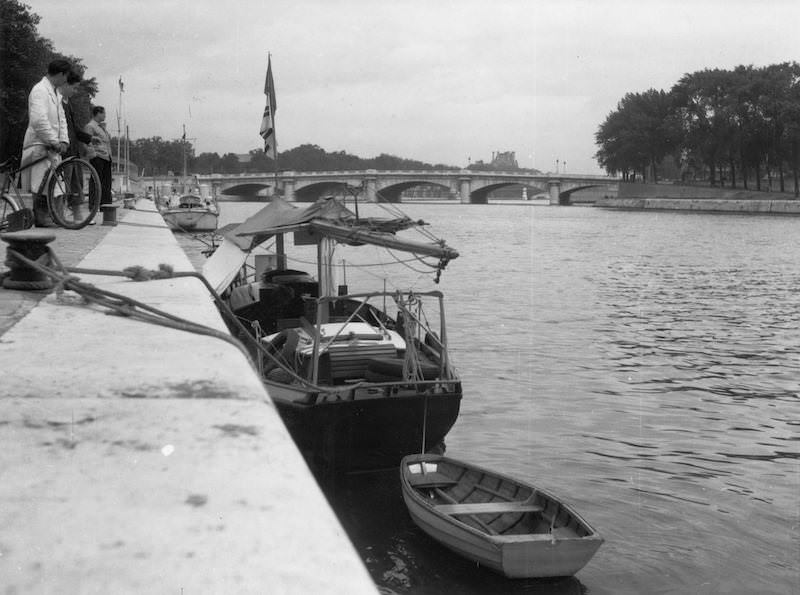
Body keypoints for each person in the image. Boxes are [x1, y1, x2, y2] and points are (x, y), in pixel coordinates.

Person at [21, 59, 71, 226]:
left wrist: (63, 140)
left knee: (54, 182)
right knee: (40, 183)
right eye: (66, 77)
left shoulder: (56, 93)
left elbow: (62, 119)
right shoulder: (39, 91)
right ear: (61, 74)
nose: (66, 81)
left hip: (52, 146)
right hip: (38, 144)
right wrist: (54, 140)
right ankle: (41, 219)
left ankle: (53, 216)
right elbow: (38, 121)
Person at [59, 70, 100, 223]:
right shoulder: (58, 103)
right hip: (64, 150)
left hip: (73, 150)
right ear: (65, 84)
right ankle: (60, 215)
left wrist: (88, 138)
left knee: (77, 183)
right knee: (65, 184)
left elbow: (75, 129)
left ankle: (78, 216)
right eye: (74, 88)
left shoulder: (68, 104)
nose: (76, 91)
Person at [84, 106, 112, 207]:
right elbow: (87, 142)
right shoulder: (90, 126)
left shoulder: (101, 127)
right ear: (98, 113)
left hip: (106, 157)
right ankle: (94, 204)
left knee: (106, 183)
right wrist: (93, 155)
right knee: (96, 181)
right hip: (98, 157)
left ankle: (105, 204)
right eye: (104, 113)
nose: (105, 115)